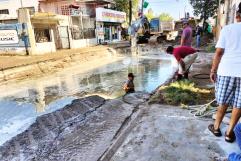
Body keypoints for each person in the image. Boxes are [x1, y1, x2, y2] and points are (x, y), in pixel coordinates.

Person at [208, 3, 241, 143]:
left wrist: (213, 70)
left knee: (223, 101)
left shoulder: (228, 29)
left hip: (227, 71)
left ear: (237, 15)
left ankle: (216, 128)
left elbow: (219, 52)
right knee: (239, 105)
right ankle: (229, 133)